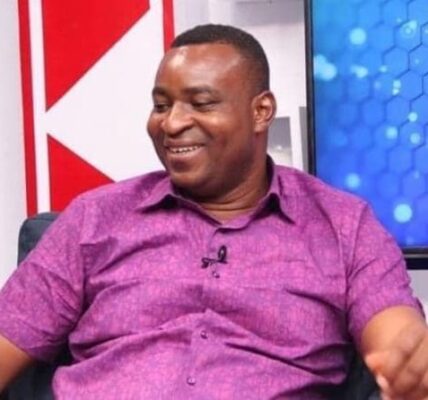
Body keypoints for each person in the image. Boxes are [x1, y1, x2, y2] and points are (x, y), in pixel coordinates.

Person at [0, 23, 427, 400]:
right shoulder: (95, 218)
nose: (171, 123)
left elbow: (398, 343)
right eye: (161, 106)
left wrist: (410, 366)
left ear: (261, 111)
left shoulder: (343, 226)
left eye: (201, 103)